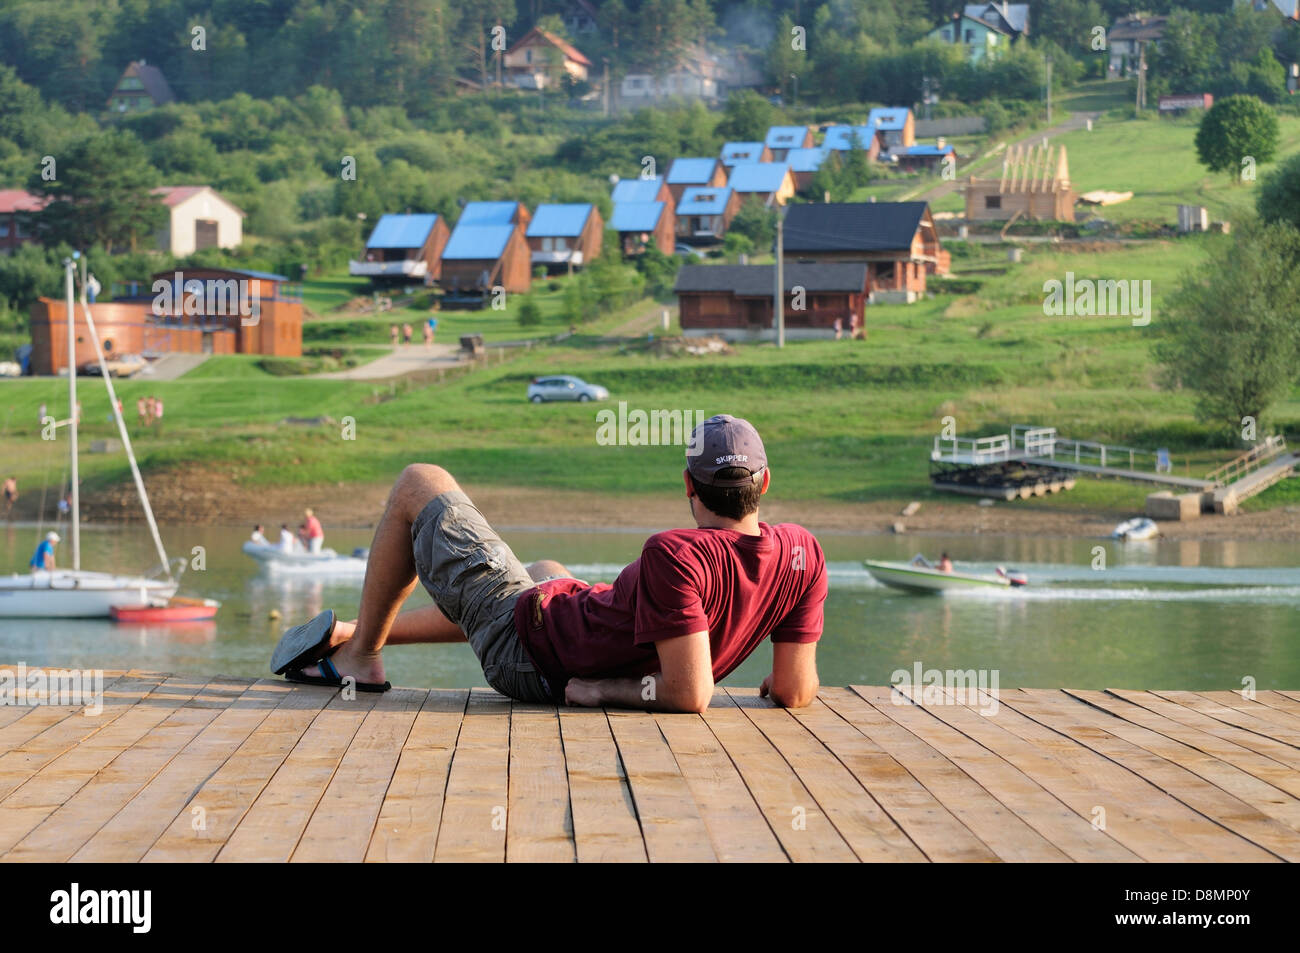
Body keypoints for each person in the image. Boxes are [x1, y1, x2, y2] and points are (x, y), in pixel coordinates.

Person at [270, 415, 827, 711]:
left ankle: (361, 659)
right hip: (556, 621)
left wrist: (600, 691)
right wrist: (775, 684)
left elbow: (690, 692)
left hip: (529, 658)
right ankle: (361, 632)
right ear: (765, 483)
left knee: (420, 482)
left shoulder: (676, 554)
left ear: (688, 485)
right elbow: (795, 691)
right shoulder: (804, 553)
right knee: (545, 570)